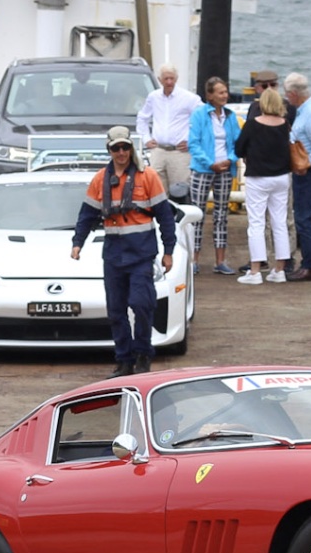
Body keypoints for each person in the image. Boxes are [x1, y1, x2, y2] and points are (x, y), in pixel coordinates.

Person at [71, 127, 178, 376]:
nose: (121, 152)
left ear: (131, 148)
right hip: (114, 255)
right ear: (109, 150)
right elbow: (87, 216)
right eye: (116, 148)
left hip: (141, 254)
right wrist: (78, 243)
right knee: (116, 310)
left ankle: (143, 354)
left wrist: (168, 250)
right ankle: (124, 360)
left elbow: (165, 216)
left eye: (125, 147)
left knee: (142, 304)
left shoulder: (147, 176)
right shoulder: (100, 180)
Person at [233, 86, 294, 284]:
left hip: (258, 177)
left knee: (257, 223)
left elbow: (239, 148)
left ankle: (255, 271)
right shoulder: (285, 124)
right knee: (280, 223)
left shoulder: (252, 125)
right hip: (281, 177)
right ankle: (279, 270)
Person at [187, 77, 243, 276]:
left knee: (221, 215)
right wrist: (210, 163)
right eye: (220, 92)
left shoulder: (230, 116)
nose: (225, 95)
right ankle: (193, 260)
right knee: (197, 215)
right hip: (203, 170)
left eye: (225, 92)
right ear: (209, 95)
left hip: (226, 170)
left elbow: (238, 142)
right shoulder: (199, 115)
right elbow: (193, 144)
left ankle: (220, 261)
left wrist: (230, 160)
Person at [283, 73, 311, 281]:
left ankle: (309, 266)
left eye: (287, 94)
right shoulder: (305, 111)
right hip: (305, 170)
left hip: (309, 172)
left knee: (303, 218)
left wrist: (307, 163)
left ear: (294, 94)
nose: (287, 98)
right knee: (301, 217)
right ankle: (307, 263)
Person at [135, 65, 200, 202]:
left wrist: (192, 141)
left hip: (180, 153)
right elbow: (142, 118)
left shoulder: (189, 98)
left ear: (176, 79)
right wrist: (146, 138)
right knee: (155, 191)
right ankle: (160, 221)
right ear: (160, 80)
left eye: (172, 78)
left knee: (180, 191)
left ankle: (181, 222)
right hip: (158, 150)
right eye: (166, 79)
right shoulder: (153, 97)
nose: (169, 82)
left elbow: (203, 120)